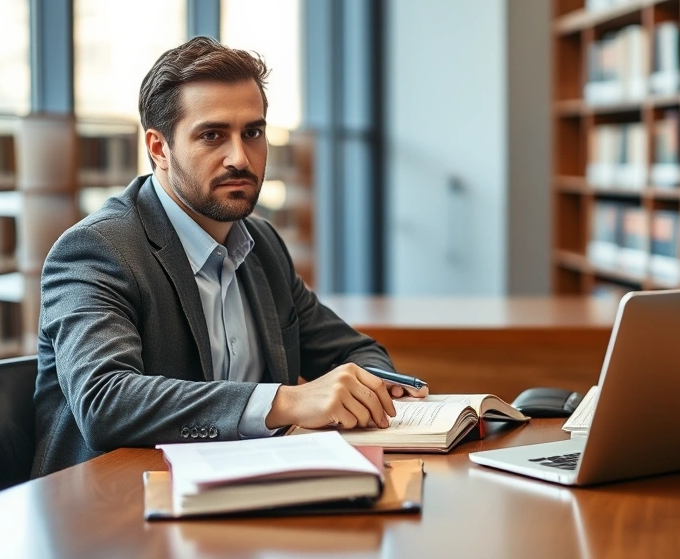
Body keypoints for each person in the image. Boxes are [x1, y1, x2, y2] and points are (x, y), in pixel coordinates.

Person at [31, 36, 427, 478]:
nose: (240, 158)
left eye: (253, 133)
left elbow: (353, 351)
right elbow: (106, 402)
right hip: (119, 508)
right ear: (159, 148)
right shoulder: (97, 250)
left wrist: (372, 387)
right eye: (212, 135)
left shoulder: (262, 245)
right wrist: (286, 401)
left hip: (251, 490)